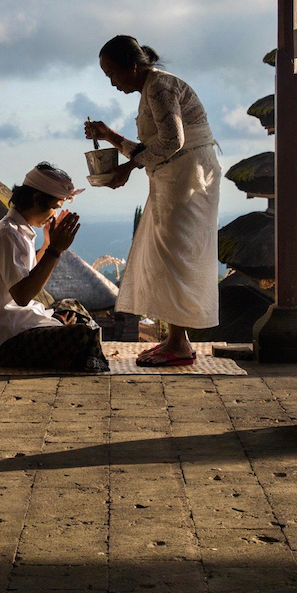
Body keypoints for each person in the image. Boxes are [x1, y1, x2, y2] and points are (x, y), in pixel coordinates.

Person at [84, 35, 219, 367]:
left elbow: (173, 141)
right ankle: (175, 339)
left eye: (112, 74)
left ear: (132, 66)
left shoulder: (159, 87)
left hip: (188, 179)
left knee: (176, 254)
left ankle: (180, 345)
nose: (112, 82)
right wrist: (110, 137)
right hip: (173, 179)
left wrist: (128, 168)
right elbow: (152, 149)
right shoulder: (150, 89)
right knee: (167, 254)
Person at [0, 163, 109, 372]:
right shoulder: (7, 234)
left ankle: (66, 353)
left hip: (16, 326)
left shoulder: (18, 231)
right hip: (2, 339)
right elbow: (23, 295)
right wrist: (55, 250)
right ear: (37, 200)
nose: (54, 215)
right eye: (54, 207)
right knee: (83, 333)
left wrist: (49, 244)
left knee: (73, 308)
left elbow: (30, 277)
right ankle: (72, 358)